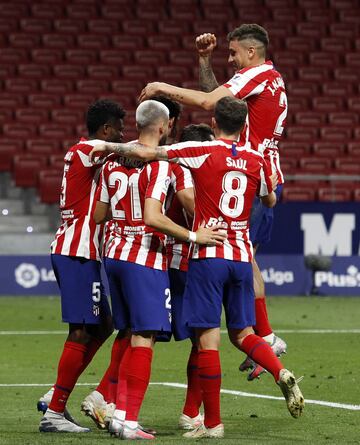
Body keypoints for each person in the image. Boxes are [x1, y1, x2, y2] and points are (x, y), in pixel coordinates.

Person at [88, 97, 305, 439]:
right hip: (237, 255)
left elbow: (148, 154)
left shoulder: (196, 153)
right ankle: (272, 374)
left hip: (200, 256)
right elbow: (270, 199)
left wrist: (104, 145)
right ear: (245, 125)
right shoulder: (256, 158)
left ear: (215, 123)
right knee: (242, 334)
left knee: (196, 340)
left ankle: (205, 420)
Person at [139, 23, 288, 380]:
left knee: (240, 256)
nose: (231, 58)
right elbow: (222, 104)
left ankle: (264, 336)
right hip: (257, 176)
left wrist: (162, 87)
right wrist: (204, 62)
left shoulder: (258, 75)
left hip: (245, 175)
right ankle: (264, 335)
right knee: (245, 257)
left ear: (251, 52)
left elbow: (209, 102)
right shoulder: (266, 80)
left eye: (233, 53)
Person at [93, 100, 226, 440]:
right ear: (166, 127)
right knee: (144, 337)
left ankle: (118, 415)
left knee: (129, 335)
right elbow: (153, 217)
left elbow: (99, 214)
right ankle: (127, 419)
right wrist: (196, 235)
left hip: (114, 256)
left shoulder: (110, 161)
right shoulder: (161, 166)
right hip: (144, 259)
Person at [38, 100, 126, 433]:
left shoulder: (87, 154)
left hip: (83, 253)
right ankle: (55, 412)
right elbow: (122, 148)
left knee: (104, 324)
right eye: (119, 127)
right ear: (106, 130)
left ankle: (56, 393)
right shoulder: (88, 148)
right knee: (81, 329)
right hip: (76, 252)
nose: (122, 133)